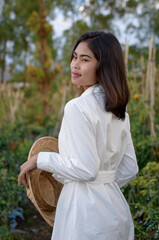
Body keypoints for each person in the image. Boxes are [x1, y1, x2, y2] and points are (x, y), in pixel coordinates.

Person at [18, 30, 139, 240]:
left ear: (104, 65)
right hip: (116, 212)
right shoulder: (119, 111)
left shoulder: (78, 107)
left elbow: (86, 169)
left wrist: (40, 159)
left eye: (85, 59)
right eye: (75, 57)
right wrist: (103, 186)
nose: (75, 65)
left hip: (84, 216)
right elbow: (130, 168)